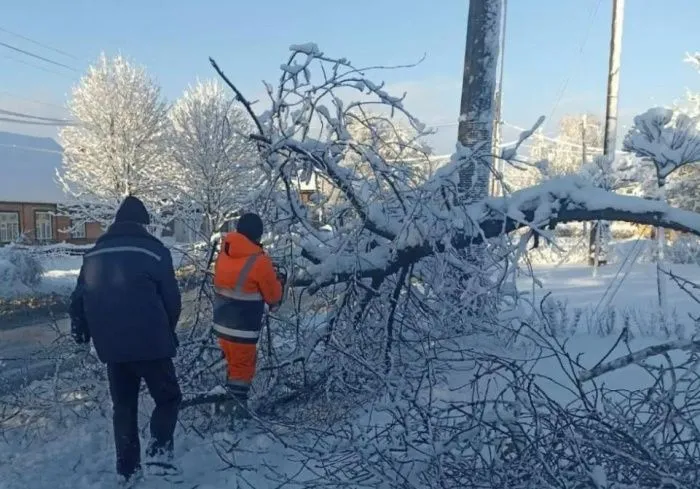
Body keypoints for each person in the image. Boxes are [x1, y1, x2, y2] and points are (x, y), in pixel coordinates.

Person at [69, 196, 182, 484]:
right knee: (168, 398)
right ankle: (159, 449)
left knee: (124, 407)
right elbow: (172, 300)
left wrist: (82, 333)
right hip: (152, 343)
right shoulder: (156, 252)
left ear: (116, 222)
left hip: (112, 347)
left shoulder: (94, 254)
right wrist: (167, 331)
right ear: (144, 223)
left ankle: (128, 471)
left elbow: (79, 298)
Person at [212, 213, 285, 419]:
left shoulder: (225, 252)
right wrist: (278, 281)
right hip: (242, 327)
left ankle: (223, 409)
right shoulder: (259, 261)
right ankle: (235, 419)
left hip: (222, 324)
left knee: (233, 366)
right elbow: (273, 297)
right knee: (242, 372)